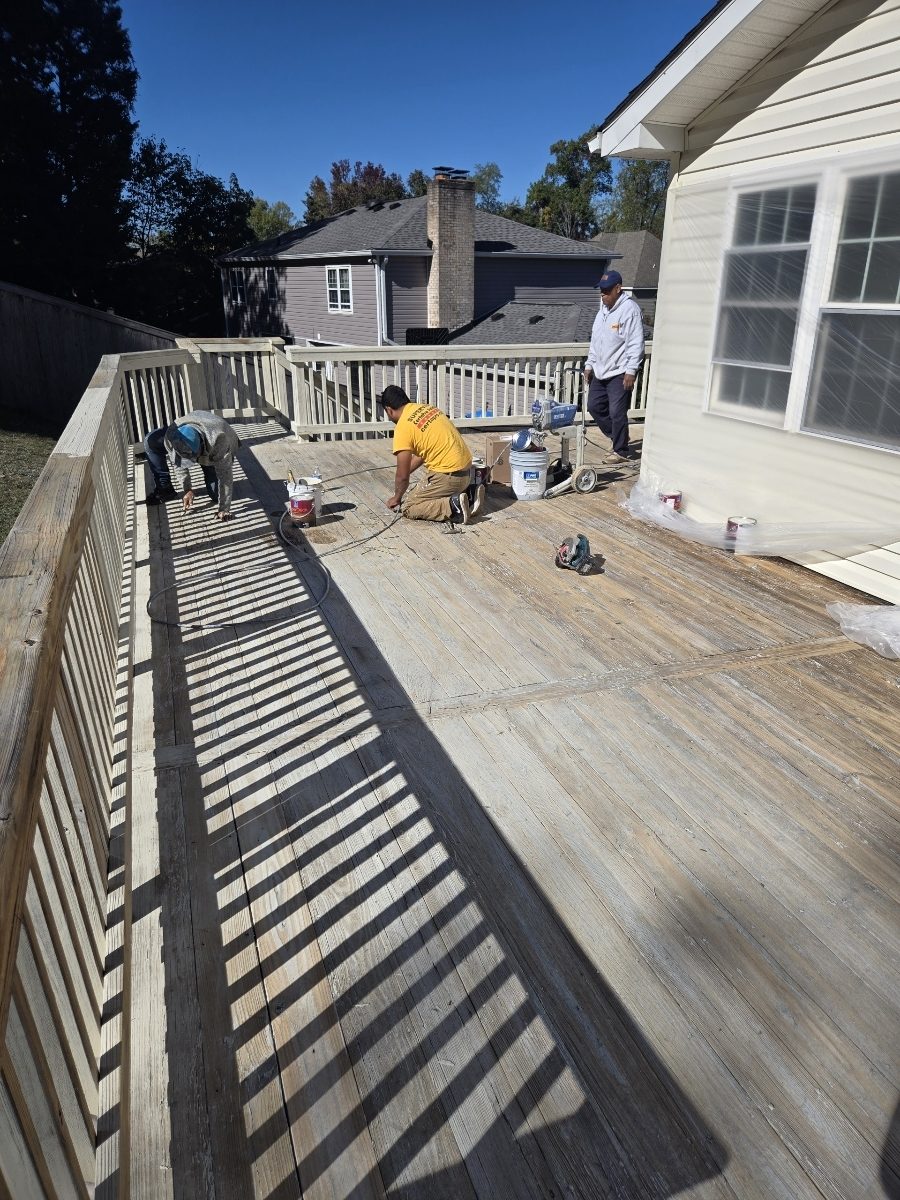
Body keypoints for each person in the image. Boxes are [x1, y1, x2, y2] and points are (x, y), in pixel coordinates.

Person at [378, 385, 485, 524]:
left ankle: (454, 506)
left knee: (410, 506)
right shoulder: (427, 408)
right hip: (467, 474)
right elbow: (424, 453)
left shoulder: (403, 427)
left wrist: (397, 497)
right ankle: (469, 497)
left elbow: (402, 476)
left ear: (389, 410)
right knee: (427, 490)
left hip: (449, 478)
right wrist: (407, 469)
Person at [584, 269, 645, 465]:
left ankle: (620, 450)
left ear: (618, 289)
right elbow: (595, 342)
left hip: (620, 372)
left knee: (617, 412)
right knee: (593, 406)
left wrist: (631, 371)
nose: (603, 295)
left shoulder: (630, 310)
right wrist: (589, 365)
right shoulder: (602, 312)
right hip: (600, 371)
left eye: (606, 292)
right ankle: (618, 437)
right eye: (601, 291)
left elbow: (635, 342)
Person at [143, 411, 241, 521]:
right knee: (150, 441)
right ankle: (165, 489)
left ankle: (208, 469)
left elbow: (225, 476)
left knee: (216, 495)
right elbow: (178, 463)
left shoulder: (220, 441)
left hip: (214, 445)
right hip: (200, 429)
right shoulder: (172, 436)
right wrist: (187, 489)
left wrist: (223, 508)